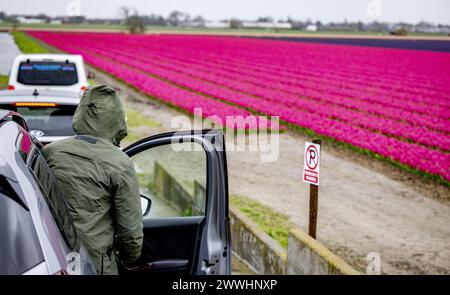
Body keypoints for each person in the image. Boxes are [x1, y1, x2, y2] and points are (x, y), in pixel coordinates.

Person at [41, 85, 143, 275]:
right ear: (117, 120)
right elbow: (130, 233)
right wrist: (129, 258)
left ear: (81, 113)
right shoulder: (120, 163)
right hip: (95, 265)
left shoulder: (50, 152)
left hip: (49, 259)